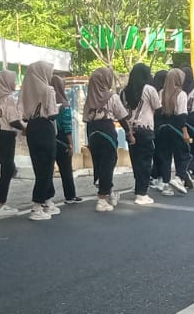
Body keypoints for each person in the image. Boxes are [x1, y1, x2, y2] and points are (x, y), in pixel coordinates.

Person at [82, 66, 127, 211]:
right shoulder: (112, 97)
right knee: (108, 163)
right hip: (107, 130)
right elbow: (122, 116)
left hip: (92, 131)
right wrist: (129, 133)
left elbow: (86, 118)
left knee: (99, 163)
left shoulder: (89, 98)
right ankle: (102, 199)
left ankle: (109, 191)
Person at [20, 60, 60, 221]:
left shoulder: (26, 90)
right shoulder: (48, 89)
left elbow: (23, 115)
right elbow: (52, 114)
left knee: (39, 166)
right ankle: (37, 205)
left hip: (32, 127)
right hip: (45, 128)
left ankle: (47, 200)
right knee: (47, 167)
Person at [0, 69, 26, 215]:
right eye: (13, 80)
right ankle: (0, 205)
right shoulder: (9, 99)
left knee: (8, 167)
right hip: (6, 135)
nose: (15, 82)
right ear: (5, 82)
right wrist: (25, 128)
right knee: (8, 168)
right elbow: (13, 121)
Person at [121, 63, 162, 206]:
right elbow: (158, 108)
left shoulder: (124, 92)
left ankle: (138, 188)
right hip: (145, 129)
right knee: (145, 162)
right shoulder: (149, 89)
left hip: (130, 130)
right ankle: (141, 193)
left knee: (136, 161)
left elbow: (123, 112)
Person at [158, 67, 194, 194]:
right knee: (184, 155)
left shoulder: (161, 92)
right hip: (176, 127)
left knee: (165, 156)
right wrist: (185, 132)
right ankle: (179, 178)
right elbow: (182, 115)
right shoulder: (181, 94)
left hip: (163, 128)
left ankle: (165, 184)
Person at [50, 73, 84, 203]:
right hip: (62, 139)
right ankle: (70, 196)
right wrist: (71, 144)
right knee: (66, 169)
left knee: (48, 170)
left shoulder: (48, 102)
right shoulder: (64, 104)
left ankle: (46, 198)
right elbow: (67, 126)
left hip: (49, 138)